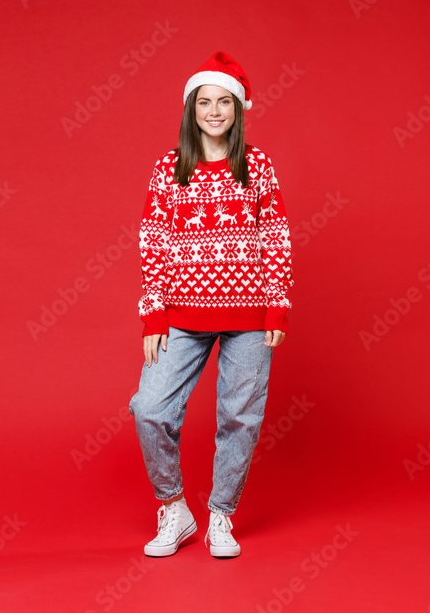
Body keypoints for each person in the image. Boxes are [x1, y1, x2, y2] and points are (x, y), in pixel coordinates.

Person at [128, 51, 294, 558]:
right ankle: (174, 509)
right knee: (149, 408)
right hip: (182, 312)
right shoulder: (169, 168)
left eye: (225, 102)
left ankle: (221, 516)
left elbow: (277, 236)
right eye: (206, 102)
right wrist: (153, 312)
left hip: (249, 315)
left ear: (238, 109)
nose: (215, 111)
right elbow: (152, 240)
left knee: (238, 417)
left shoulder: (257, 166)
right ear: (191, 108)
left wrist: (276, 306)